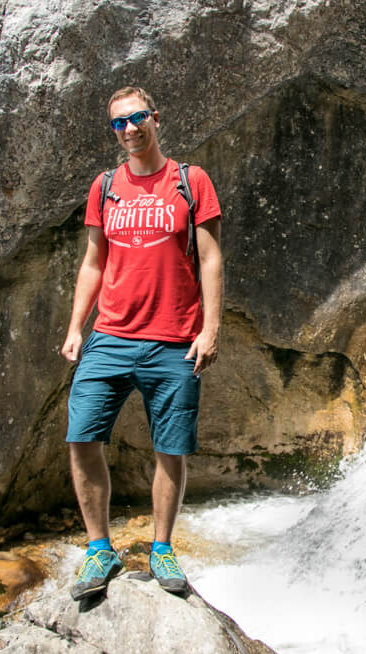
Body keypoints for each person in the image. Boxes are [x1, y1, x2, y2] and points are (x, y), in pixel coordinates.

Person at [60, 86, 223, 599]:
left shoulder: (190, 181)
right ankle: (99, 550)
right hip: (110, 335)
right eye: (118, 123)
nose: (129, 129)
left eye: (137, 118)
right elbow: (93, 262)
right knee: (81, 436)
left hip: (174, 339)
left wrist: (211, 329)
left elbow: (212, 258)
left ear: (155, 117)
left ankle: (161, 548)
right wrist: (74, 327)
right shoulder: (105, 185)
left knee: (169, 448)